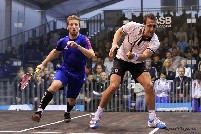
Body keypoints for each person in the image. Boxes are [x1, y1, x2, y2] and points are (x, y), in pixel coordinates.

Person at [89, 13, 166, 129]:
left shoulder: (155, 41)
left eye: (154, 26)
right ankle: (97, 116)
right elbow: (119, 31)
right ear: (144, 25)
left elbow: (145, 55)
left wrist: (134, 56)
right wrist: (114, 44)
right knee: (114, 86)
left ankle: (152, 119)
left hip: (137, 63)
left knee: (149, 85)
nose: (152, 29)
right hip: (121, 59)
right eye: (149, 26)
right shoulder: (133, 26)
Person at [31, 15, 95, 123]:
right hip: (65, 70)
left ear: (79, 27)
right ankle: (39, 111)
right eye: (71, 24)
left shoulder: (84, 39)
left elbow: (92, 54)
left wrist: (77, 46)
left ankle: (67, 112)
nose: (74, 26)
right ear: (67, 27)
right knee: (54, 85)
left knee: (71, 100)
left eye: (76, 24)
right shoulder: (62, 41)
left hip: (78, 74)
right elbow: (55, 52)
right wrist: (43, 64)